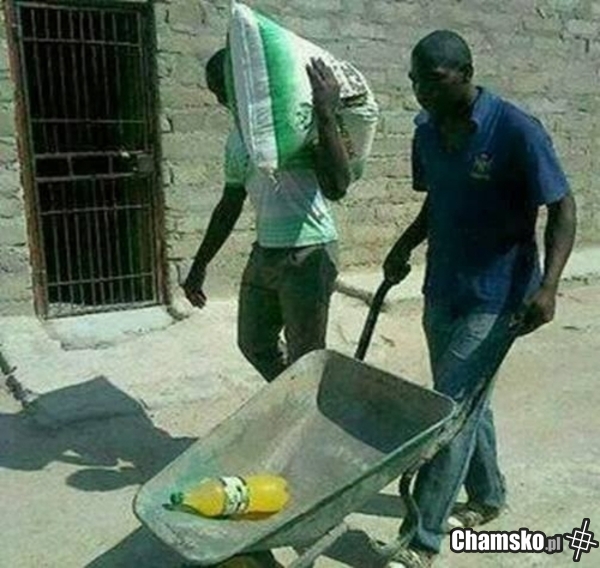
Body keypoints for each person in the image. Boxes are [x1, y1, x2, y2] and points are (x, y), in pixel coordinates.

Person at [383, 30, 577, 568]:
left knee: (447, 411)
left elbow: (563, 207)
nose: (421, 91)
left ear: (466, 74)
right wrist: (403, 246)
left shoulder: (515, 129)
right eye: (415, 80)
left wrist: (549, 286)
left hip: (499, 295)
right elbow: (438, 203)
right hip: (442, 288)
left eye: (433, 80)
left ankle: (419, 540)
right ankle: (488, 496)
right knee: (467, 403)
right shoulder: (425, 131)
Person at [183, 49, 368, 382]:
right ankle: (297, 395)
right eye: (215, 92)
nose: (221, 100)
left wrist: (325, 112)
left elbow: (338, 186)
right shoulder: (237, 139)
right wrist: (200, 264)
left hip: (310, 252)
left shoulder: (296, 122)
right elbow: (229, 205)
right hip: (265, 252)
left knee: (306, 356)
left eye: (223, 88)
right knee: (253, 343)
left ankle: (307, 404)